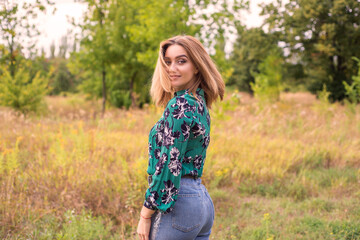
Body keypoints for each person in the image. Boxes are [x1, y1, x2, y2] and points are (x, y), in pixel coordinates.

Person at [137, 35, 225, 240]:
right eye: (168, 62)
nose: (171, 68)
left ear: (197, 66)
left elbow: (169, 164)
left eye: (181, 61)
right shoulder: (199, 103)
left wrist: (145, 213)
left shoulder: (180, 105)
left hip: (178, 203)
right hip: (200, 201)